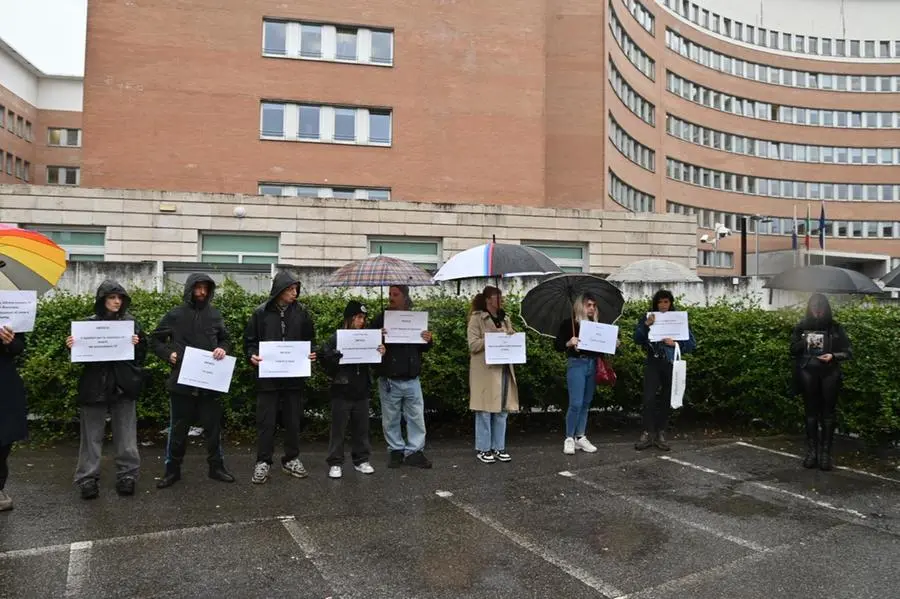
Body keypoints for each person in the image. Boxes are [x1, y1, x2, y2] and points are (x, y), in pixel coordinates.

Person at [151, 273, 234, 488]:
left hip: (210, 382)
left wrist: (222, 349)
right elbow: (156, 339)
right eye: (198, 288)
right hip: (181, 382)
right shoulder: (175, 314)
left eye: (206, 288)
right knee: (178, 429)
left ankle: (216, 467)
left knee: (213, 429)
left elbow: (225, 338)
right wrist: (168, 354)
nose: (202, 293)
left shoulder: (215, 314)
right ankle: (172, 471)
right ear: (190, 289)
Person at [66, 281, 147, 499]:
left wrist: (138, 344)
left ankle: (127, 475)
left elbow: (140, 357)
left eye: (120, 298)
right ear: (103, 300)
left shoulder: (132, 323)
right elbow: (77, 360)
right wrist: (73, 346)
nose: (117, 302)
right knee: (91, 437)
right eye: (112, 297)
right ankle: (87, 478)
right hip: (94, 386)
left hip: (123, 386)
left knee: (126, 435)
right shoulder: (87, 325)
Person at [243, 271, 316, 484]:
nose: (295, 293)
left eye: (296, 289)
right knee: (266, 422)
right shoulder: (260, 313)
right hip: (268, 379)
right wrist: (251, 356)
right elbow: (249, 341)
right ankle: (263, 462)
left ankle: (291, 459)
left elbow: (310, 340)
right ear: (280, 290)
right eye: (291, 289)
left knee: (293, 420)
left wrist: (312, 353)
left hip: (294, 378)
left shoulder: (302, 313)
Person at [319, 300, 385, 478]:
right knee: (338, 429)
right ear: (349, 318)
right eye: (358, 317)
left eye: (363, 318)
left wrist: (380, 352)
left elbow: (375, 364)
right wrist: (332, 357)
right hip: (342, 390)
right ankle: (335, 462)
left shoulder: (369, 338)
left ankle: (361, 460)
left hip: (362, 389)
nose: (361, 321)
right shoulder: (337, 337)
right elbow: (323, 357)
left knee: (362, 428)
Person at [370, 285, 434, 469]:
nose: (391, 297)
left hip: (412, 376)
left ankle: (415, 451)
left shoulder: (416, 318)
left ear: (405, 296)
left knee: (416, 416)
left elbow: (423, 347)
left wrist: (428, 339)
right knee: (391, 417)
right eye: (390, 294)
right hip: (390, 377)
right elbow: (370, 345)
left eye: (395, 294)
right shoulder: (381, 319)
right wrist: (377, 335)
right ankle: (396, 450)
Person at [790, 294, 852, 471]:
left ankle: (825, 454)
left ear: (826, 309)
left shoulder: (835, 327)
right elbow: (792, 350)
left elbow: (848, 352)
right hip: (808, 371)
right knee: (810, 413)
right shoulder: (801, 326)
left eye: (821, 308)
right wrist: (804, 342)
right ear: (809, 308)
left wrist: (833, 356)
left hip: (829, 372)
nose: (817, 311)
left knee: (828, 414)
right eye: (814, 308)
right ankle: (812, 453)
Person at [633, 289, 696, 451]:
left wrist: (674, 343)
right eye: (660, 302)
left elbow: (691, 344)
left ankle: (661, 433)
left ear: (671, 303)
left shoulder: (678, 319)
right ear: (656, 303)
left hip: (670, 363)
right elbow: (637, 339)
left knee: (666, 399)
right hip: (653, 362)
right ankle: (647, 432)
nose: (663, 305)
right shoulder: (648, 317)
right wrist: (645, 326)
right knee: (648, 398)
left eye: (666, 302)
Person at [467, 286, 519, 463]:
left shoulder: (505, 318)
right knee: (484, 410)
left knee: (502, 409)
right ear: (488, 299)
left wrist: (511, 336)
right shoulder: (477, 319)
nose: (500, 299)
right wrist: (492, 337)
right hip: (485, 371)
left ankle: (499, 446)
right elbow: (473, 345)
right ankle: (483, 448)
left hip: (504, 368)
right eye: (497, 296)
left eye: (501, 296)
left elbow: (509, 340)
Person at [554, 293, 603, 456]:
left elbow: (602, 347)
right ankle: (569, 438)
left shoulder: (596, 325)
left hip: (592, 364)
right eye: (588, 305)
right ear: (580, 306)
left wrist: (613, 343)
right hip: (577, 364)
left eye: (594, 305)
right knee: (576, 403)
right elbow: (558, 345)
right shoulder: (570, 324)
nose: (592, 308)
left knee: (586, 402)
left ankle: (580, 436)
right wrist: (569, 342)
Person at [0, 324, 26, 512]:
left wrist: (10, 342)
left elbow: (20, 347)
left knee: (4, 436)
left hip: (4, 379)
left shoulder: (9, 313)